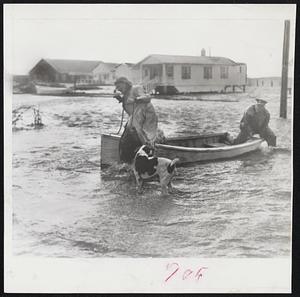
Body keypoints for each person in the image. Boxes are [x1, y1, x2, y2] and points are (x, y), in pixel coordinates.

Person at [113, 77, 162, 164]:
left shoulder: (135, 88)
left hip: (146, 115)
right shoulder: (125, 94)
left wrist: (138, 99)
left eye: (120, 87)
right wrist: (121, 99)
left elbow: (148, 97)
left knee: (142, 134)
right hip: (135, 117)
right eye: (118, 88)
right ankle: (128, 160)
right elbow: (130, 109)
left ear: (125, 83)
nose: (119, 89)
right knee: (127, 135)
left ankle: (149, 153)